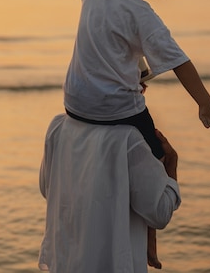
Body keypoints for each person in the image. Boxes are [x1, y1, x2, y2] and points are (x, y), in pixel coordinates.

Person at [29, 0, 210, 267]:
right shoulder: (144, 17)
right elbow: (180, 62)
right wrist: (205, 104)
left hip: (75, 104)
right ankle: (151, 246)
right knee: (155, 152)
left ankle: (133, 80)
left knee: (133, 66)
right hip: (113, 113)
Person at [38, 115, 180, 272]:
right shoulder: (128, 139)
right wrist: (171, 164)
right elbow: (160, 213)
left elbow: (47, 189)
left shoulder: (58, 127)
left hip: (67, 264)